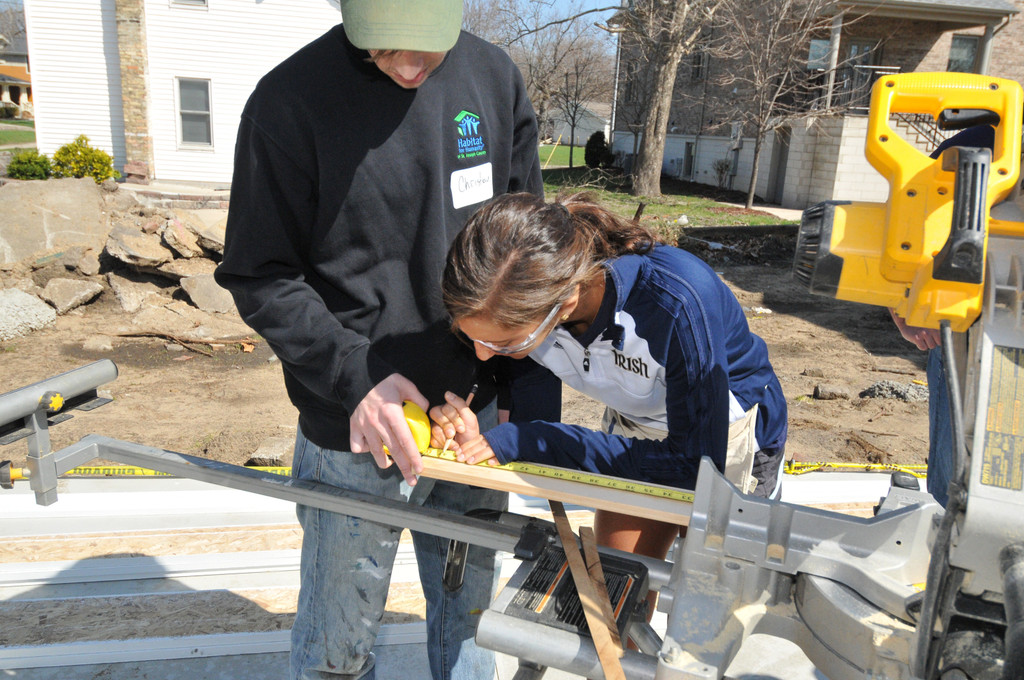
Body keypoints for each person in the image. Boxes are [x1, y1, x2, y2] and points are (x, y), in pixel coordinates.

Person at [213, 2, 557, 678]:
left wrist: (527, 396)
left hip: (471, 423)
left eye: (423, 46)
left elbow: (530, 258)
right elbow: (259, 274)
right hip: (356, 428)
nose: (405, 65)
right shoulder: (289, 102)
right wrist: (354, 377)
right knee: (337, 651)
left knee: (472, 635)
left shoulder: (493, 80)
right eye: (383, 46)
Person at [431, 192, 789, 568]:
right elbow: (528, 420)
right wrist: (477, 437)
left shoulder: (677, 301)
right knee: (615, 584)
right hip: (639, 422)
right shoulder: (515, 300)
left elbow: (693, 469)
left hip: (724, 436)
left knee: (715, 595)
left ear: (566, 303)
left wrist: (528, 440)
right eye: (475, 339)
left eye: (503, 343)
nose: (483, 354)